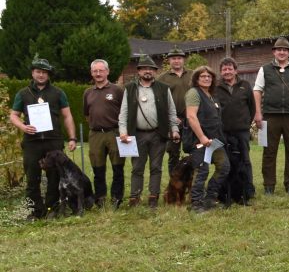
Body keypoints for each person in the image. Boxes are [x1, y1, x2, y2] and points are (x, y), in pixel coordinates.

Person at [8, 57, 78, 219]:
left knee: (55, 177)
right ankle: (35, 211)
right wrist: (23, 127)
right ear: (33, 73)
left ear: (48, 75)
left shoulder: (58, 93)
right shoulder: (23, 94)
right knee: (32, 178)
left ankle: (52, 209)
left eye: (44, 72)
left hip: (53, 141)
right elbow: (13, 115)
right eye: (38, 72)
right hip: (32, 142)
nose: (41, 75)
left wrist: (72, 137)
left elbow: (67, 116)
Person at [118, 55, 179, 208]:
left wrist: (175, 130)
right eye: (144, 68)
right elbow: (123, 113)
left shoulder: (163, 88)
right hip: (136, 134)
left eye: (151, 69)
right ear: (138, 71)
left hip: (158, 134)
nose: (147, 71)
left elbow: (172, 112)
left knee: (156, 167)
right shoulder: (130, 88)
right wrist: (123, 132)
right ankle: (134, 197)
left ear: (155, 72)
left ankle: (153, 197)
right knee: (137, 168)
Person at [253, 37, 289, 194]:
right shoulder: (264, 69)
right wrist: (258, 112)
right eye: (279, 49)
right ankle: (269, 186)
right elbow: (257, 91)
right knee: (268, 152)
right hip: (269, 116)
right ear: (274, 52)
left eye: (285, 50)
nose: (282, 52)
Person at [184, 66, 229, 212]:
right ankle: (196, 203)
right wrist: (202, 137)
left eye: (209, 76)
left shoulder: (211, 95)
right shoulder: (193, 93)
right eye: (203, 76)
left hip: (215, 140)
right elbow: (191, 116)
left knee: (224, 167)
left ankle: (210, 198)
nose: (207, 78)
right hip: (199, 140)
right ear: (197, 79)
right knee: (202, 170)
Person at [82, 58, 124, 208]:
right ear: (92, 73)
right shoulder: (88, 92)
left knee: (117, 168)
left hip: (114, 132)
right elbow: (87, 115)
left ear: (107, 71)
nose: (98, 73)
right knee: (98, 168)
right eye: (95, 71)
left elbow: (125, 112)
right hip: (95, 134)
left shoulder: (117, 90)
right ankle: (100, 198)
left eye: (101, 70)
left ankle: (116, 198)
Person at [214, 57, 256, 203]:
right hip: (223, 132)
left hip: (242, 131)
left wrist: (245, 123)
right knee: (225, 162)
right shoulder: (216, 87)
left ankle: (248, 190)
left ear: (235, 70)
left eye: (230, 69)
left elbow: (252, 107)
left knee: (245, 161)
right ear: (221, 72)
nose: (227, 72)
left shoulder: (245, 85)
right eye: (224, 69)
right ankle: (226, 191)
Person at [157, 46, 191, 171]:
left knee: (193, 151)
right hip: (173, 120)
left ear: (183, 60)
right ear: (169, 61)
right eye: (173, 59)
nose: (176, 61)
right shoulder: (162, 78)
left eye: (179, 58)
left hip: (191, 119)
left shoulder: (193, 75)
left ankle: (191, 182)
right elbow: (158, 101)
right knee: (173, 153)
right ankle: (174, 184)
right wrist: (170, 117)